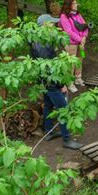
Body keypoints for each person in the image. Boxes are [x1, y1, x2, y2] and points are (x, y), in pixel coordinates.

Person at [31, 14, 83, 150]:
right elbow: (50, 68)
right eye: (51, 23)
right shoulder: (44, 44)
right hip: (51, 83)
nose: (54, 25)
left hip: (44, 82)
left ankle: (49, 132)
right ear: (44, 25)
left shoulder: (38, 40)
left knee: (48, 105)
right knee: (63, 109)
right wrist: (61, 85)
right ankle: (67, 139)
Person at [59, 0, 89, 93]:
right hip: (71, 43)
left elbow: (85, 26)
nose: (77, 5)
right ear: (69, 5)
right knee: (70, 64)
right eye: (75, 3)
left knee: (80, 60)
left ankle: (78, 77)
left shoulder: (78, 15)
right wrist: (80, 40)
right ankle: (69, 82)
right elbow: (68, 32)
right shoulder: (64, 17)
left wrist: (84, 37)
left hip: (81, 42)